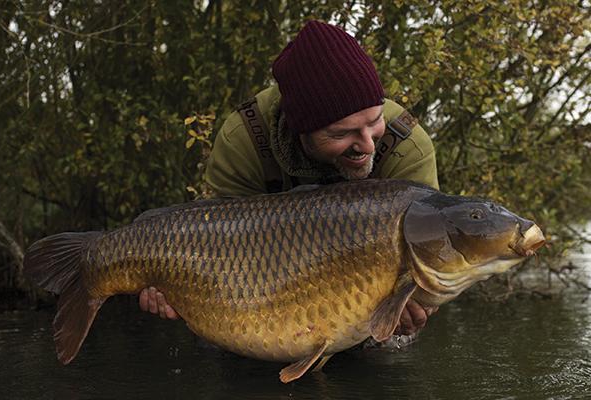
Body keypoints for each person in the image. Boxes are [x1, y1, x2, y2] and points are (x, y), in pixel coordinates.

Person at [139, 20, 439, 336]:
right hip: (259, 294)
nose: (367, 144)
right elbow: (219, 254)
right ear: (301, 130)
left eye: (374, 121)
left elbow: (432, 260)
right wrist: (178, 288)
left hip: (364, 304)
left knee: (385, 351)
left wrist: (417, 304)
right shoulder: (244, 139)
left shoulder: (407, 147)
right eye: (342, 133)